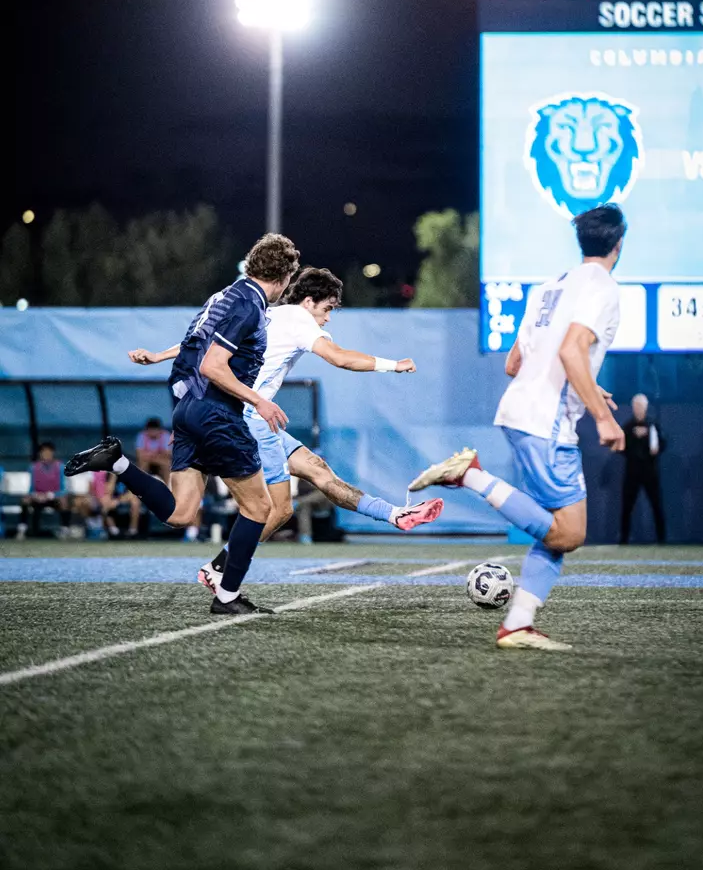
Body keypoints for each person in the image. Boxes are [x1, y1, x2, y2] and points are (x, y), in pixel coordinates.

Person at [129, 266, 443, 592]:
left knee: (318, 471)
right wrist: (394, 365)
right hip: (250, 418)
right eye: (327, 308)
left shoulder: (267, 312)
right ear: (308, 301)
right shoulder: (298, 319)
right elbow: (339, 358)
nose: (328, 318)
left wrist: (158, 356)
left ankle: (395, 514)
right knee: (278, 510)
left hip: (236, 414)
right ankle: (220, 568)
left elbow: (206, 341)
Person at [408, 203, 627, 651]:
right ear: (618, 244)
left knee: (559, 532)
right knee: (570, 533)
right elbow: (571, 351)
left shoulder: (550, 287)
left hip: (522, 412)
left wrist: (588, 388)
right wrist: (603, 417)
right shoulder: (603, 287)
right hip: (546, 423)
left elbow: (514, 363)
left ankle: (518, 624)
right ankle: (470, 474)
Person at [65, 232, 301, 616]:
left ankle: (117, 462)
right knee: (261, 508)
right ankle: (227, 596)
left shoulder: (224, 296)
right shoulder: (250, 306)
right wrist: (259, 400)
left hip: (188, 409)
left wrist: (161, 361)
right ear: (285, 276)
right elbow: (212, 365)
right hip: (216, 413)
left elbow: (196, 345)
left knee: (180, 513)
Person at [619, 393, 666, 544]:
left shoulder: (653, 425)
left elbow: (661, 444)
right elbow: (622, 448)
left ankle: (661, 538)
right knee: (627, 506)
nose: (638, 409)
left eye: (641, 406)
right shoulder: (627, 427)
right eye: (636, 406)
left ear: (646, 407)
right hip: (632, 472)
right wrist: (634, 438)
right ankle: (624, 538)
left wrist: (655, 447)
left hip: (650, 472)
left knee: (656, 504)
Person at [20, 442, 71, 539]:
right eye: (44, 452)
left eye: (49, 452)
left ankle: (65, 530)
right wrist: (35, 495)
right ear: (40, 454)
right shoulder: (33, 467)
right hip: (38, 498)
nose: (46, 454)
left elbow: (64, 490)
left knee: (64, 501)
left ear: (53, 453)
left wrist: (50, 495)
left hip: (54, 498)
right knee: (25, 500)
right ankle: (22, 529)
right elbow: (31, 488)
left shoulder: (60, 467)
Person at [135, 418, 172, 482]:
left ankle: (168, 484)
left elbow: (168, 454)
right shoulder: (141, 436)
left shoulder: (166, 436)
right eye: (150, 430)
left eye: (154, 430)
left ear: (160, 430)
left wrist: (150, 456)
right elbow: (139, 455)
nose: (152, 432)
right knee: (142, 464)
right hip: (147, 460)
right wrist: (157, 455)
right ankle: (140, 484)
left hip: (160, 460)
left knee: (166, 464)